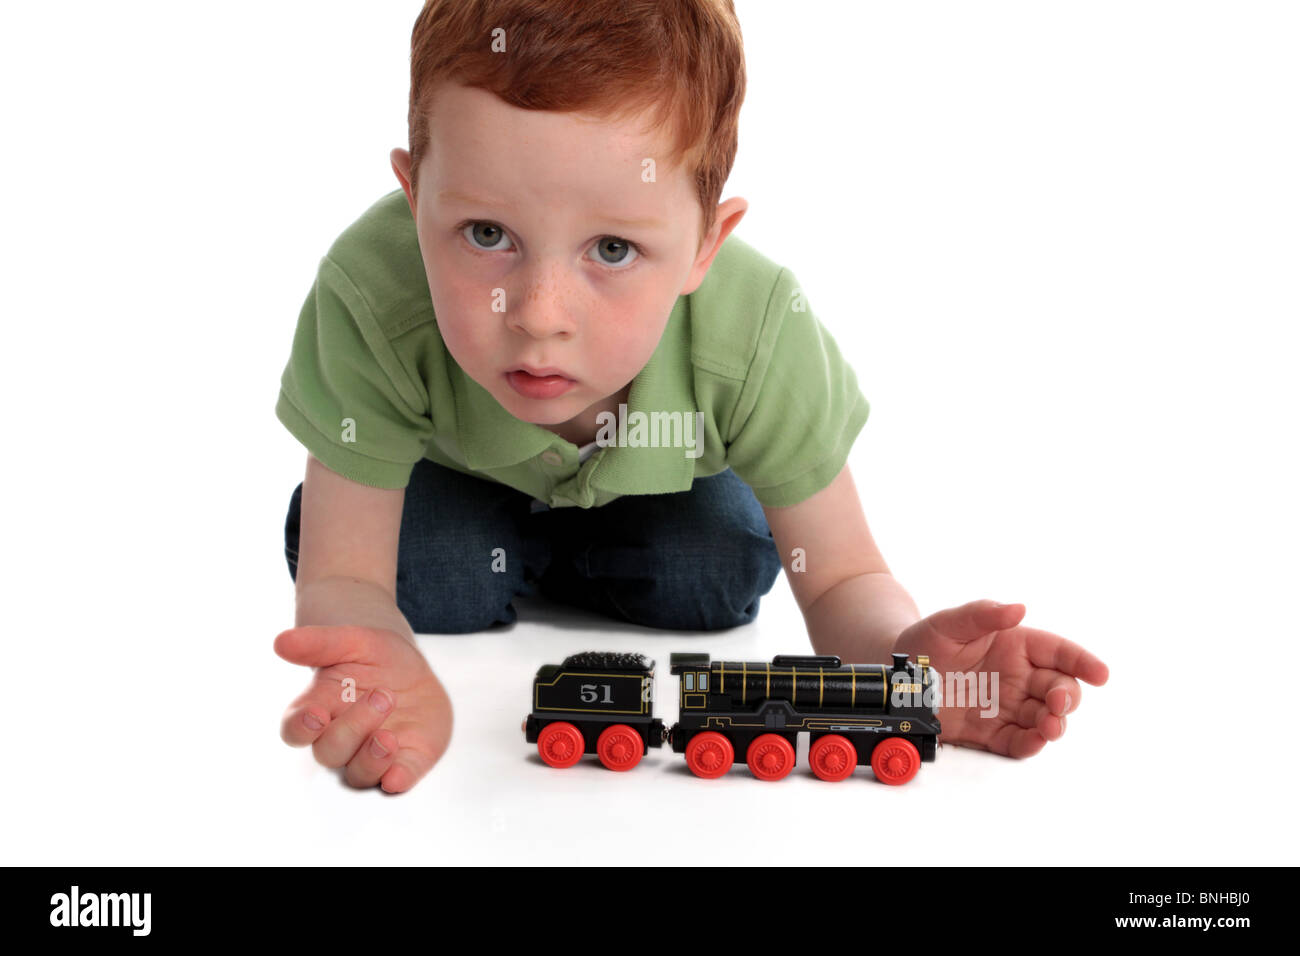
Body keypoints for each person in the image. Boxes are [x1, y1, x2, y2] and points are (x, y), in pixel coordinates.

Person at [273, 0, 1108, 793]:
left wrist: (905, 669)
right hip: (456, 474)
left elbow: (842, 574)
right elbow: (344, 579)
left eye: (612, 248)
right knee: (434, 574)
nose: (538, 316)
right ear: (415, 197)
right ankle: (506, 549)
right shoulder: (371, 296)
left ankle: (568, 554)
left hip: (660, 488)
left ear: (706, 244)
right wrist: (367, 657)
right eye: (487, 235)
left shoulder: (758, 332)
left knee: (710, 570)